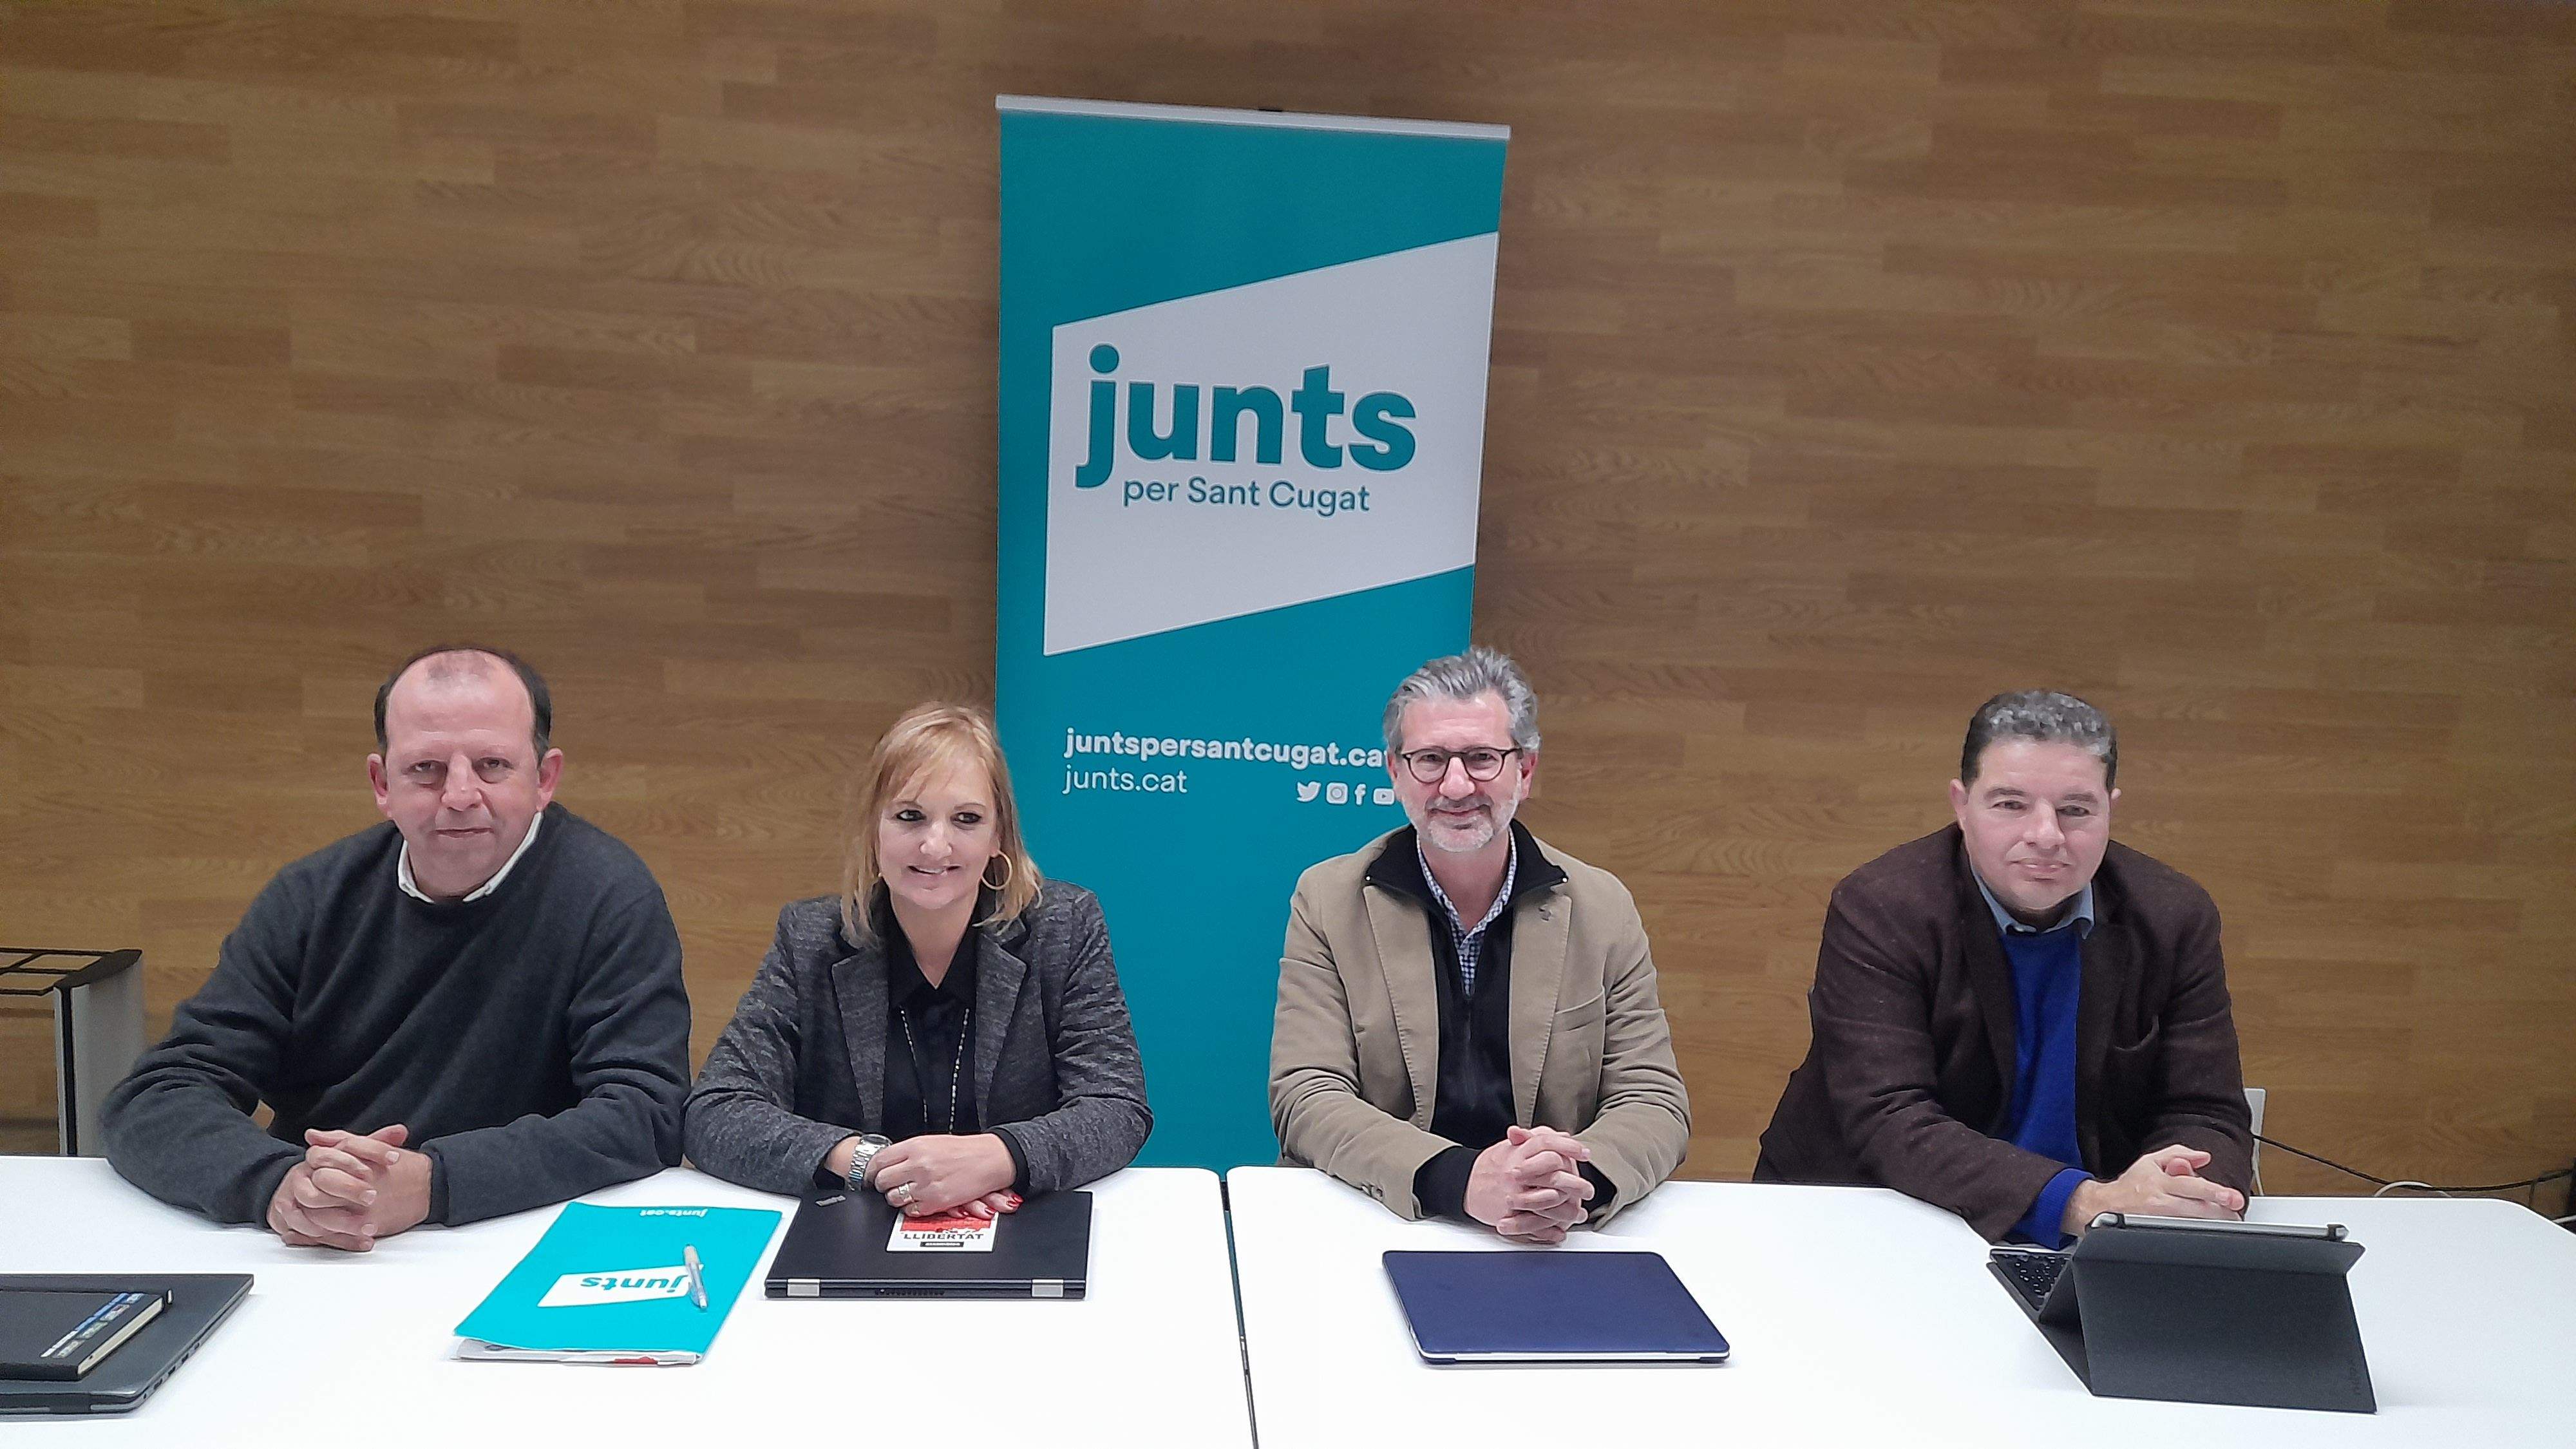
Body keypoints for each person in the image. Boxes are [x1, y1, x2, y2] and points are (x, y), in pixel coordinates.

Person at [102, 645, 692, 1249]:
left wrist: (434, 1183)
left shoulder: (609, 896)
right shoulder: (311, 897)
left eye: (492, 765)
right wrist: (280, 1185)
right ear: (382, 784)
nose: (460, 794)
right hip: (315, 1243)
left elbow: (647, 1113)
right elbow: (160, 1093)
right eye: (426, 769)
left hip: (518, 1237)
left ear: (544, 779)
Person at [1756, 689, 2254, 1244]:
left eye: (2076, 810)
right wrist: (2082, 1201)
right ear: (1961, 805)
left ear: (2111, 808)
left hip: (2101, 1232)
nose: (2046, 835)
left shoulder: (2173, 915)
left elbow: (2206, 1109)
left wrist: (2186, 1196)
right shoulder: (1883, 906)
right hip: (1879, 1215)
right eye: (2010, 804)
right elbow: (1888, 1115)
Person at [1271, 647, 1689, 1242]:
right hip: (1381, 1217)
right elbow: (1306, 1095)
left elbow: (1653, 1099)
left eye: (1482, 758)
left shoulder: (1603, 907)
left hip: (1554, 1234)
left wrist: (1571, 1180)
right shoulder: (1328, 899)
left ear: (1526, 769)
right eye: (1431, 760)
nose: (1456, 784)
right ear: (1395, 771)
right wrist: (1462, 1179)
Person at [684, 703, 1150, 1215]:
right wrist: (878, 1165)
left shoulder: (1063, 926)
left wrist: (998, 1158)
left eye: (966, 819)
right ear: (873, 831)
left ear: (999, 838)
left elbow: (1116, 1106)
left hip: (1019, 1220)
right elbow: (715, 1111)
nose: (935, 845)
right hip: (855, 1230)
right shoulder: (810, 938)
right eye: (910, 816)